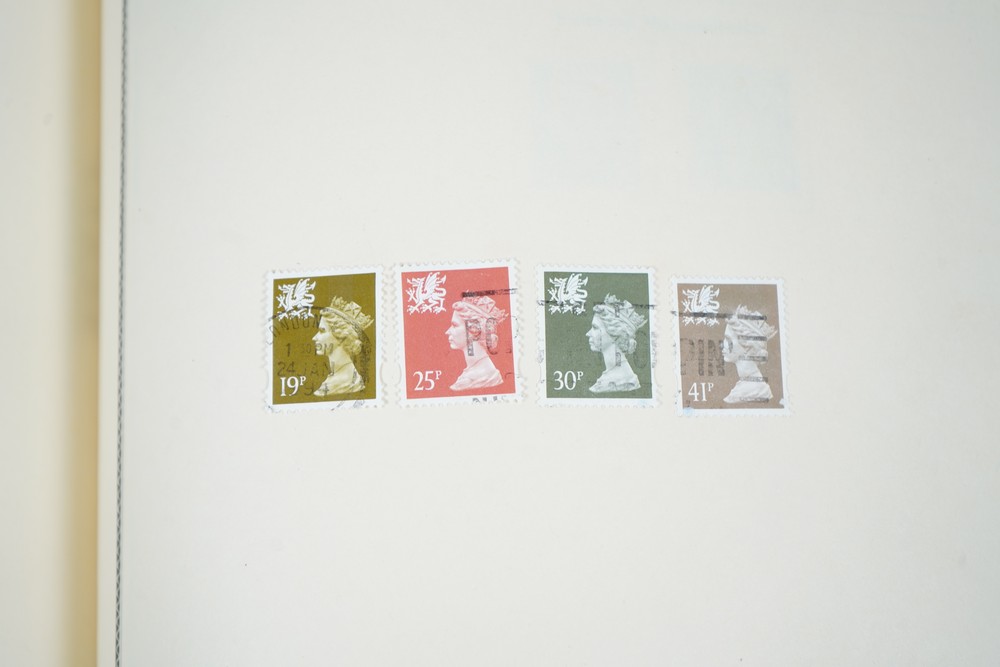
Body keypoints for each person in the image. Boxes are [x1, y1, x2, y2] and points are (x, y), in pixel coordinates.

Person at [311, 296, 374, 396]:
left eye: (322, 331)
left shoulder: (346, 380)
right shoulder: (335, 377)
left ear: (341, 336)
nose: (314, 338)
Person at [445, 295, 507, 391]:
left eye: (455, 325)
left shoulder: (483, 376)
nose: (447, 332)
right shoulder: (473, 372)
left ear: (474, 329)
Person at [586, 294, 646, 393]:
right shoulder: (612, 375)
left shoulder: (623, 380)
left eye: (595, 328)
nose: (588, 334)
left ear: (615, 334)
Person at [721, 305, 776, 403]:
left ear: (747, 346)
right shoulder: (747, 385)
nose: (722, 344)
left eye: (728, 339)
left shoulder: (752, 390)